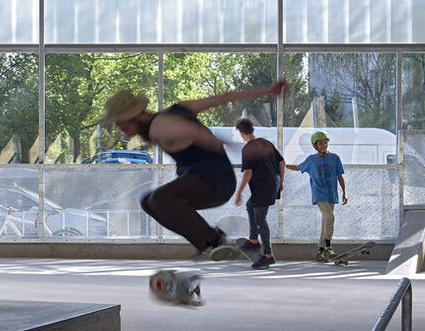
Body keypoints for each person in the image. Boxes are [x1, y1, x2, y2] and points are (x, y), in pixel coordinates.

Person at [102, 80, 287, 261]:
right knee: (148, 202)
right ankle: (208, 240)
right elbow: (224, 97)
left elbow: (200, 134)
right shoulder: (177, 110)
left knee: (159, 199)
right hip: (211, 180)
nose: (122, 131)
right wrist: (267, 89)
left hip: (213, 181)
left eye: (122, 125)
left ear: (134, 116)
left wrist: (239, 148)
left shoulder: (160, 126)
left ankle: (214, 240)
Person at [285, 130, 348, 261]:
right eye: (320, 143)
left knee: (325, 222)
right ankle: (328, 247)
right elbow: (298, 168)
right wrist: (283, 165)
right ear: (315, 145)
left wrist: (344, 192)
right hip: (319, 194)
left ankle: (320, 251)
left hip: (332, 194)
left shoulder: (335, 158)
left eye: (325, 142)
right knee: (330, 217)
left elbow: (340, 176)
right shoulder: (311, 160)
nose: (323, 145)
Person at [234, 117, 285, 270]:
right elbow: (282, 162)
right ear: (252, 130)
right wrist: (281, 182)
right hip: (272, 184)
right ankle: (253, 240)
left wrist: (239, 192)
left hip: (263, 187)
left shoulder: (248, 149)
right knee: (251, 206)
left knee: (260, 218)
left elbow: (248, 173)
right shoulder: (266, 143)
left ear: (242, 133)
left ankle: (268, 256)